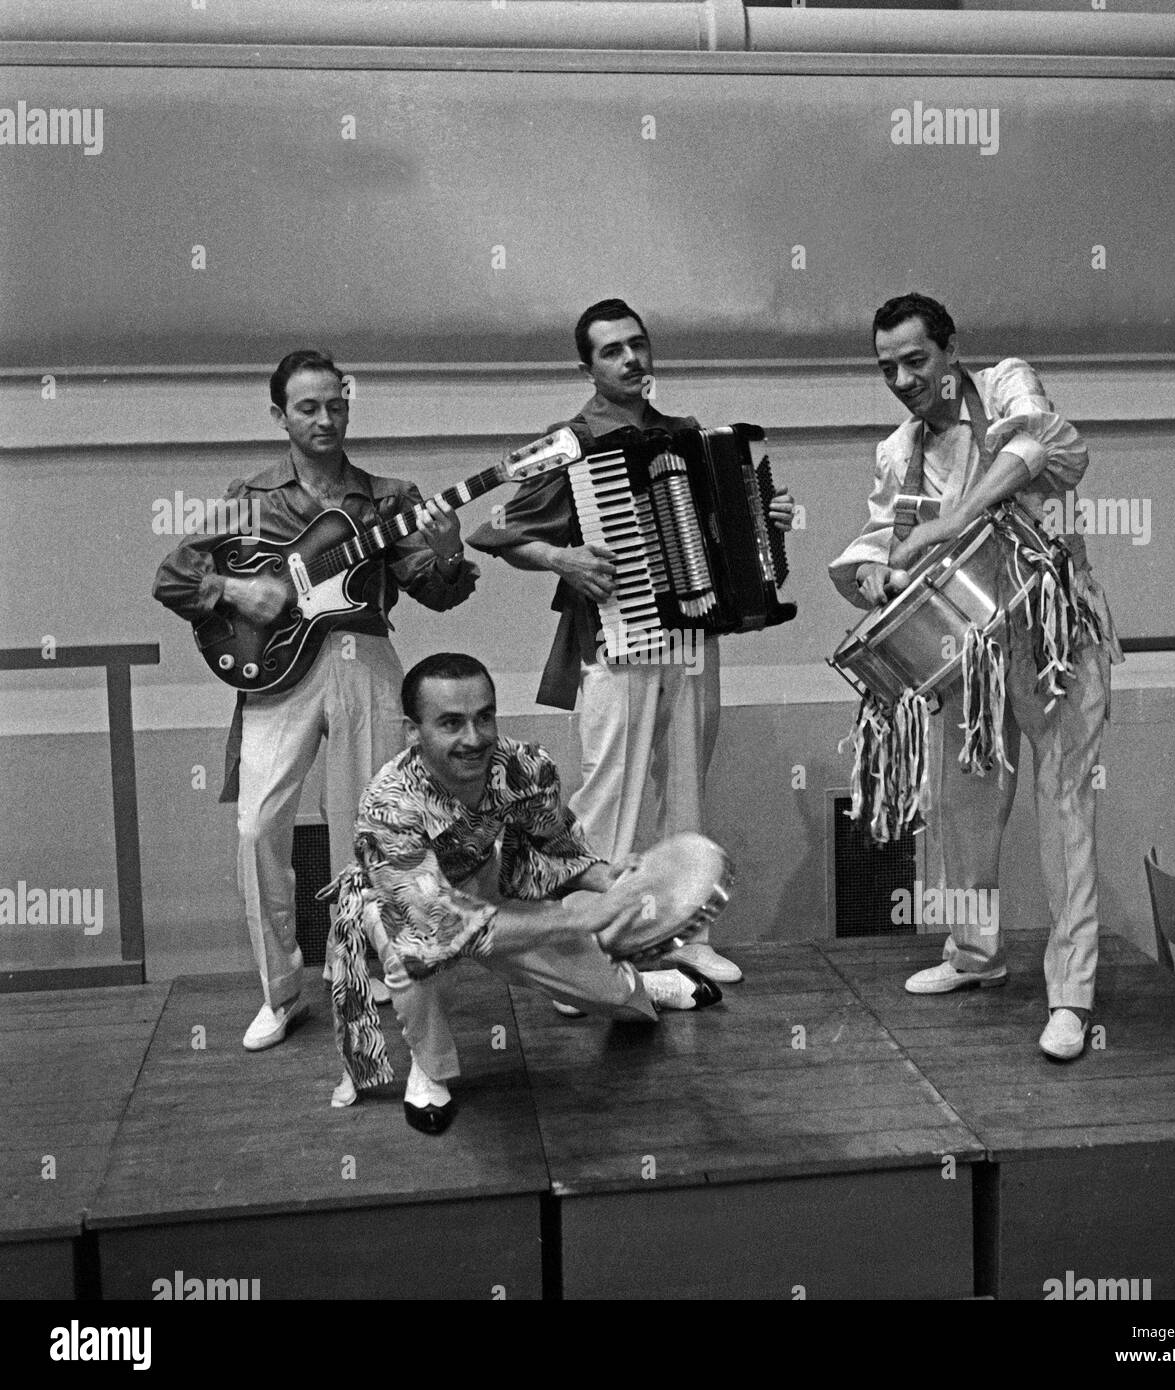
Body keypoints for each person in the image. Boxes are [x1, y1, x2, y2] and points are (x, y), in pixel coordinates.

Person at [153, 350, 478, 1052]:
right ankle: (280, 989)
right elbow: (175, 575)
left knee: (369, 828)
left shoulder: (390, 495)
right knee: (255, 829)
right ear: (280, 415)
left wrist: (448, 556)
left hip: (365, 658)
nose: (325, 417)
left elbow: (436, 589)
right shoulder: (251, 496)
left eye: (336, 403)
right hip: (277, 673)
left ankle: (376, 968)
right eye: (308, 406)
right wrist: (240, 590)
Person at [466, 299, 796, 988]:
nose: (630, 359)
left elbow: (726, 536)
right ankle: (583, 951)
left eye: (637, 345)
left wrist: (767, 521)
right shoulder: (570, 440)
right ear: (586, 365)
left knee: (686, 797)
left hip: (692, 640)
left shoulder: (687, 434)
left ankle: (685, 936)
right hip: (613, 640)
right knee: (607, 799)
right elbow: (492, 529)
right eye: (612, 350)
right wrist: (562, 559)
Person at [828, 293, 1122, 1062]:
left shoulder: (1005, 387)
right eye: (887, 366)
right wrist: (871, 578)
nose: (902, 378)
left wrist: (953, 522)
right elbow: (874, 544)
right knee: (961, 806)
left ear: (951, 351)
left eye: (915, 360)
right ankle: (974, 954)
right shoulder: (899, 452)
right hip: (969, 655)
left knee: (1065, 814)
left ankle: (1071, 997)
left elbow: (1048, 452)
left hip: (1054, 641)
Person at [325, 653, 722, 1135]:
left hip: (489, 880)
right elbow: (440, 926)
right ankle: (431, 1067)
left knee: (599, 985)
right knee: (411, 961)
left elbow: (556, 844)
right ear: (413, 730)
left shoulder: (523, 767)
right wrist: (584, 919)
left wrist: (612, 878)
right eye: (451, 723)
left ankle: (644, 990)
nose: (473, 739)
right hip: (403, 906)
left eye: (483, 717)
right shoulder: (387, 806)